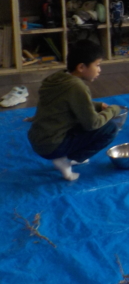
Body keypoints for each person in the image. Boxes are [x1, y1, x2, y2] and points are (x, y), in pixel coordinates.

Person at [27, 40, 121, 181]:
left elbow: (67, 103)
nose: (99, 70)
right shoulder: (77, 87)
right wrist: (113, 110)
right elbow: (93, 124)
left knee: (82, 119)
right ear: (81, 67)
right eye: (97, 65)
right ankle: (68, 160)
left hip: (38, 139)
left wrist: (97, 106)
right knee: (110, 128)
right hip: (52, 146)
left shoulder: (58, 78)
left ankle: (64, 157)